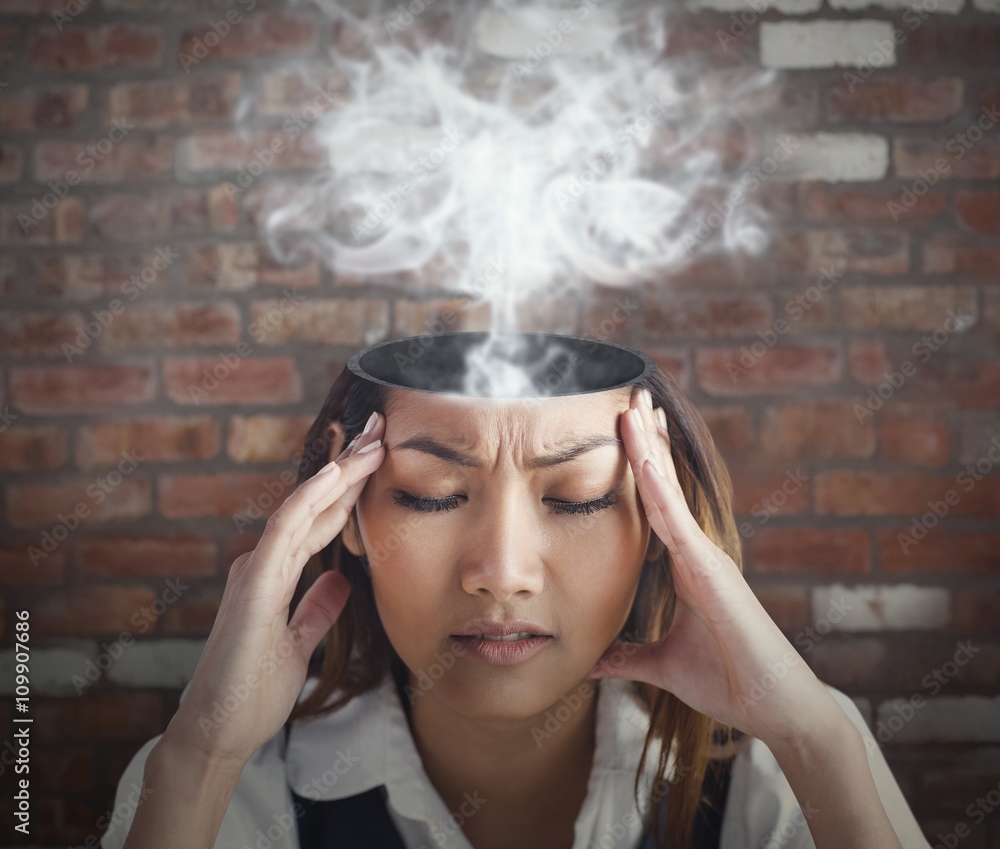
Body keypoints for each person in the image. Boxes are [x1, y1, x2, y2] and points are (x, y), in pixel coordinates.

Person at [101, 359, 931, 849]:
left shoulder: (789, 769)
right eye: (430, 494)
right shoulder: (229, 793)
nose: (502, 573)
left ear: (657, 517)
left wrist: (813, 740)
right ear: (345, 505)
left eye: (575, 498)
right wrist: (200, 762)